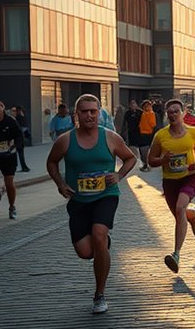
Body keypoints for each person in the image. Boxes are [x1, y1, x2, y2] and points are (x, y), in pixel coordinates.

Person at [46, 94, 137, 313]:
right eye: (84, 111)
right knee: (86, 252)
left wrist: (118, 175)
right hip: (79, 201)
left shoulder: (110, 138)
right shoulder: (66, 140)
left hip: (106, 195)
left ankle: (100, 294)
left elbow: (130, 157)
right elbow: (51, 162)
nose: (89, 115)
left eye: (93, 111)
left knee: (98, 234)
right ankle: (102, 246)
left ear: (99, 113)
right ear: (76, 115)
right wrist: (60, 184)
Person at [148, 99, 195, 274]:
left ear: (183, 113)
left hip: (189, 177)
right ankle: (194, 214)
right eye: (169, 112)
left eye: (176, 111)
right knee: (180, 214)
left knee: (180, 208)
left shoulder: (194, 132)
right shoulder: (161, 136)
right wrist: (163, 160)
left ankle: (176, 254)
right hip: (170, 181)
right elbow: (150, 160)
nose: (172, 114)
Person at [137, 100, 157, 171]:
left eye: (148, 106)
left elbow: (153, 124)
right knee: (142, 150)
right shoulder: (143, 113)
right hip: (142, 133)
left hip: (147, 134)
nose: (147, 107)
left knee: (144, 150)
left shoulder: (150, 114)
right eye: (145, 106)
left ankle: (146, 164)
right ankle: (145, 164)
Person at [11, 106, 31, 172]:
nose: (14, 112)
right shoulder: (22, 118)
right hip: (20, 139)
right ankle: (24, 167)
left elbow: (21, 128)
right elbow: (25, 128)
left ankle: (21, 167)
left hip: (17, 139)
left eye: (14, 111)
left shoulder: (17, 118)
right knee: (20, 153)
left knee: (14, 154)